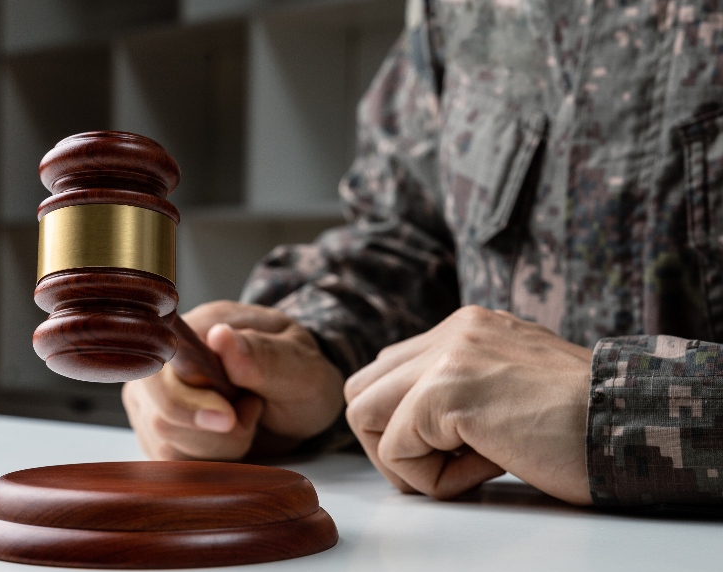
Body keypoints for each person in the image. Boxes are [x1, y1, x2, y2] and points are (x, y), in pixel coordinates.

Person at [122, 0, 723, 507]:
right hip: (493, 538)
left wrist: (624, 408)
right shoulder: (463, 12)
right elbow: (410, 239)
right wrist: (315, 358)